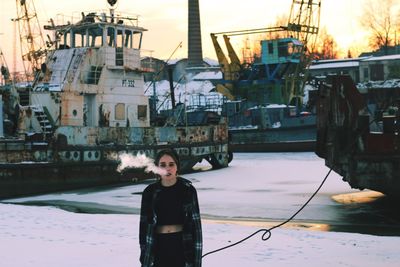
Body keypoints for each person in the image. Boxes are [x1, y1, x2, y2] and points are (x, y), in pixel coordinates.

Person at [139, 149, 202, 267]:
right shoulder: (149, 192)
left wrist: (196, 262)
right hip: (157, 247)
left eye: (171, 164)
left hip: (182, 247)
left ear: (177, 167)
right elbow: (143, 228)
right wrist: (144, 257)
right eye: (162, 165)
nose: (167, 168)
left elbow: (196, 229)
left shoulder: (188, 190)